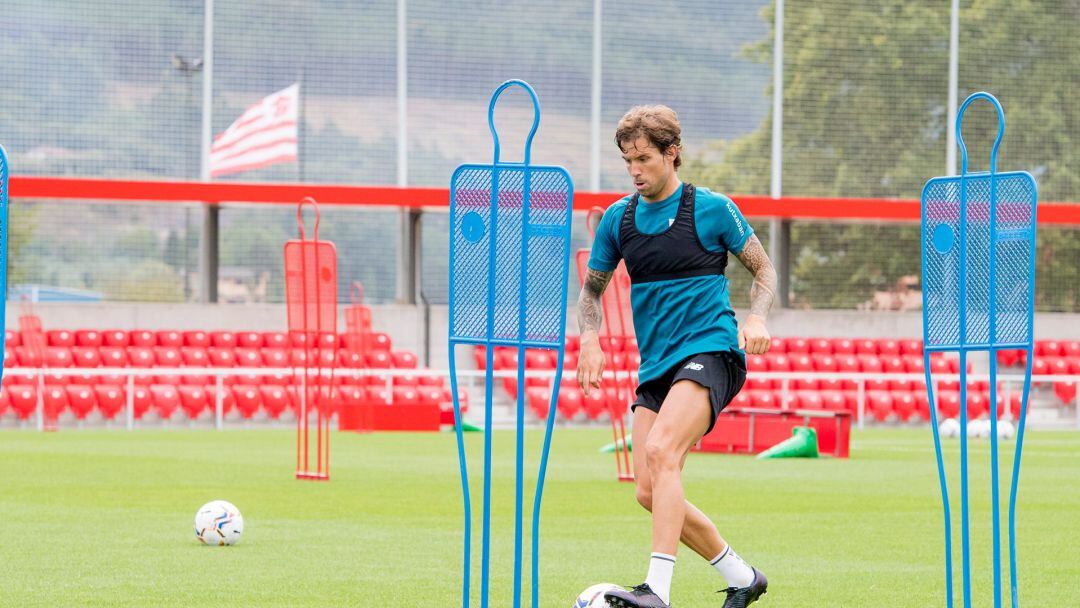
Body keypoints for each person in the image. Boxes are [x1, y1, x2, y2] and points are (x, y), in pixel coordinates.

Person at [576, 105, 776, 608]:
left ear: (672, 154)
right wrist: (589, 340)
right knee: (648, 489)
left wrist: (757, 318)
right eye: (627, 161)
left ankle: (655, 592)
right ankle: (742, 575)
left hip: (711, 351)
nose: (634, 170)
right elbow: (591, 293)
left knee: (662, 452)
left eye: (643, 158)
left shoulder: (713, 209)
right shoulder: (618, 220)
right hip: (658, 368)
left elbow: (765, 272)